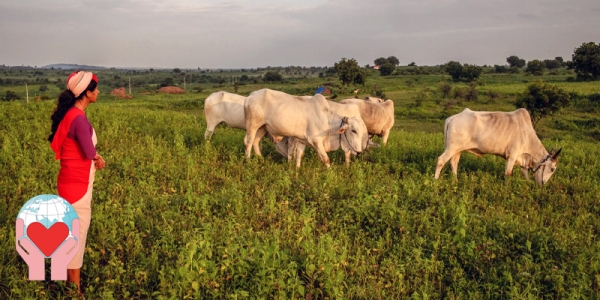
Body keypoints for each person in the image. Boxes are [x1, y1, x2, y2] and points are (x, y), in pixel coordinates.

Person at [48, 70, 105, 294]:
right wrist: (97, 157)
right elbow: (89, 150)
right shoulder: (79, 118)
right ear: (86, 93)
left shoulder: (70, 114)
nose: (98, 92)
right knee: (76, 237)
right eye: (95, 89)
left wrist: (95, 156)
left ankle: (60, 283)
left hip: (68, 182)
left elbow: (87, 150)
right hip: (78, 187)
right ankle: (74, 290)